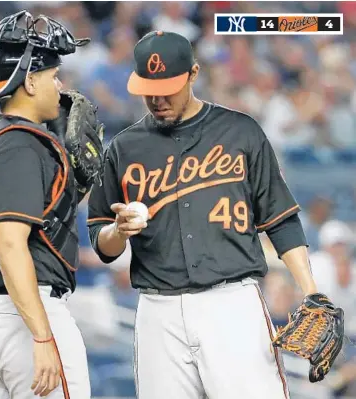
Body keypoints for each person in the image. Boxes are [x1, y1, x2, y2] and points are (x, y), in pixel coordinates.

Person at [87, 31, 342, 399]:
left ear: (193, 74)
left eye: (168, 87)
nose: (157, 99)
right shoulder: (125, 148)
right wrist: (119, 231)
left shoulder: (240, 132)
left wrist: (311, 291)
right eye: (148, 88)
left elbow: (280, 219)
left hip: (231, 303)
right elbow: (103, 244)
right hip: (159, 310)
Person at [0, 10, 104, 399]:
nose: (61, 85)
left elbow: (30, 222)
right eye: (54, 76)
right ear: (31, 82)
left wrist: (71, 190)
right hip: (19, 315)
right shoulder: (20, 143)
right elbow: (8, 243)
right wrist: (41, 336)